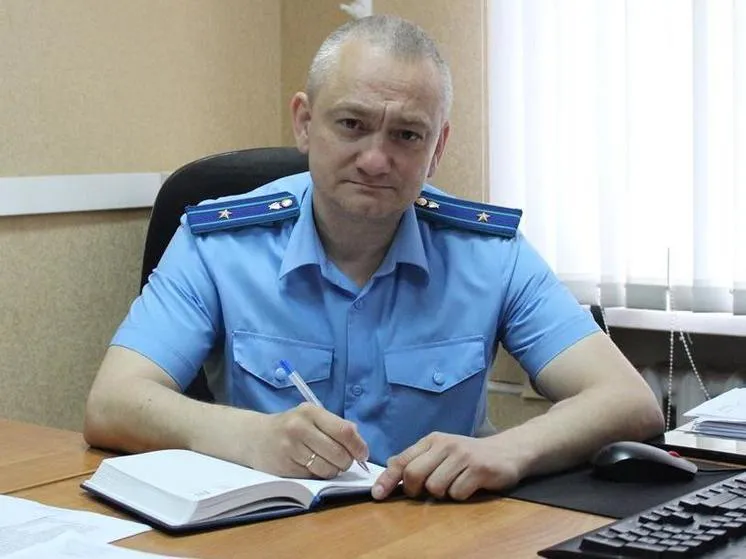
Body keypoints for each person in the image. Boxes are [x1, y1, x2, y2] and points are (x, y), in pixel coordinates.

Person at [84, 14, 664, 502]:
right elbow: (113, 402)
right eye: (352, 125)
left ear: (437, 147)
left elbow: (628, 401)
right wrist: (250, 436)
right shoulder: (218, 243)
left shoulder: (489, 254)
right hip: (267, 533)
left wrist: (508, 451)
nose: (375, 160)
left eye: (407, 135)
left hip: (436, 532)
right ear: (305, 122)